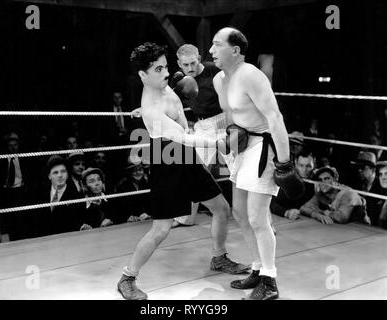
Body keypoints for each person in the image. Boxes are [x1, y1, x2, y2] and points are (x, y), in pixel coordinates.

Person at [117, 42, 249, 300]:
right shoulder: (153, 108)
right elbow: (184, 138)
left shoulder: (163, 85)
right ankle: (127, 277)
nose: (166, 73)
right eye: (158, 69)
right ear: (143, 75)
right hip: (167, 158)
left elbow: (176, 116)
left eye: (166, 66)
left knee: (221, 209)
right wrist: (220, 144)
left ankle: (219, 257)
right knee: (161, 229)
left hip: (185, 155)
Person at [209, 27, 300, 300]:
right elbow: (230, 116)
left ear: (235, 50)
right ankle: (258, 269)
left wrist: (284, 161)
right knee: (239, 213)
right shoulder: (218, 80)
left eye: (216, 45)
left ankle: (270, 282)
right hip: (242, 146)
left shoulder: (252, 76)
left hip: (264, 146)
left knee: (258, 218)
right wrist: (226, 144)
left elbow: (275, 117)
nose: (211, 51)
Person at [172, 44, 227, 227]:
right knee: (194, 169)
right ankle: (186, 217)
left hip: (226, 121)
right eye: (185, 64)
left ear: (200, 58)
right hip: (202, 125)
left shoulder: (214, 70)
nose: (190, 68)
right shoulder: (179, 79)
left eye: (193, 63)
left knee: (241, 169)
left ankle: (263, 221)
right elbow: (169, 100)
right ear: (179, 63)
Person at [300, 166, 369, 225]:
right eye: (320, 180)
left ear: (335, 179)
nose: (323, 183)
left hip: (364, 231)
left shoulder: (348, 193)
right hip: (342, 230)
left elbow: (341, 218)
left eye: (327, 179)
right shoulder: (321, 193)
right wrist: (317, 215)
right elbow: (303, 208)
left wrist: (322, 211)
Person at [270, 151, 316, 220]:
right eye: (301, 165)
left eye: (308, 166)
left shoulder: (318, 179)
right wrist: (286, 212)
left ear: (314, 165)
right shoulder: (287, 178)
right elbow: (271, 203)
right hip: (282, 220)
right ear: (295, 163)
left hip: (306, 219)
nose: (304, 170)